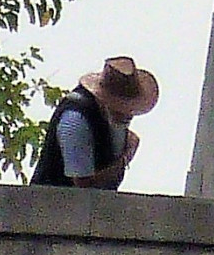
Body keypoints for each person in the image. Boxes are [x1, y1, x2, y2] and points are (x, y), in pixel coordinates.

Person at [30, 55, 159, 188]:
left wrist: (128, 142)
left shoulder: (113, 119)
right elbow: (84, 187)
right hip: (50, 203)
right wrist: (125, 159)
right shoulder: (75, 121)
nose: (127, 114)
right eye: (121, 107)